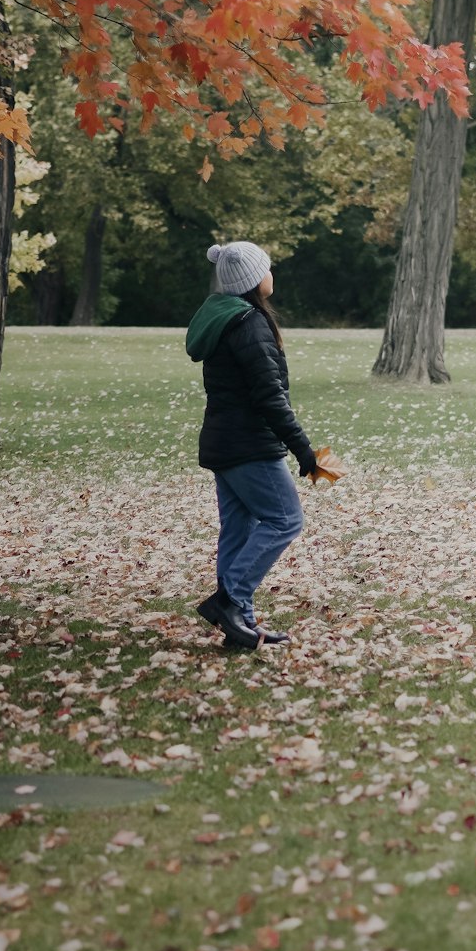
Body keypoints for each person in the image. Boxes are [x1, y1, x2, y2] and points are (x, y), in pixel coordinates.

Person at [185, 240, 321, 650]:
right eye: (268, 267)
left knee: (239, 530)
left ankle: (239, 624)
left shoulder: (227, 319)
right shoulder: (249, 324)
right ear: (252, 279)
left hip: (226, 444)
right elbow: (269, 396)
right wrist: (304, 450)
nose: (271, 273)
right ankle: (229, 602)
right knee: (285, 520)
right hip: (249, 446)